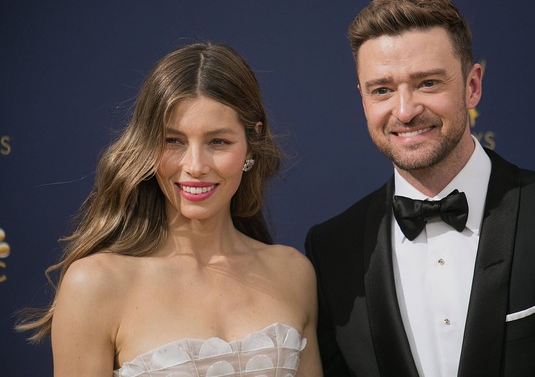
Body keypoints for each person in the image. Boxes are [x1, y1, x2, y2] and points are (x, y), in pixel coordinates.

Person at [304, 0, 535, 377]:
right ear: (363, 100)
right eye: (382, 90)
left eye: (428, 83)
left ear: (472, 86)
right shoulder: (332, 249)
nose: (405, 110)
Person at [17, 43, 323, 376]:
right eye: (172, 141)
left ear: (252, 142)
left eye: (218, 141)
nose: (194, 166)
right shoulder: (94, 284)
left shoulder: (294, 273)